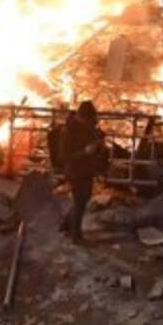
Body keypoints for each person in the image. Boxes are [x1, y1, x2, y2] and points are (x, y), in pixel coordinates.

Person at [59, 101, 107, 243]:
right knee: (79, 201)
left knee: (82, 200)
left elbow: (93, 139)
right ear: (81, 117)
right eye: (88, 119)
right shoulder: (69, 130)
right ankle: (76, 236)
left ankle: (66, 225)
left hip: (87, 169)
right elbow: (63, 156)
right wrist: (84, 152)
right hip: (75, 171)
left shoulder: (88, 125)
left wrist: (99, 144)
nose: (90, 122)